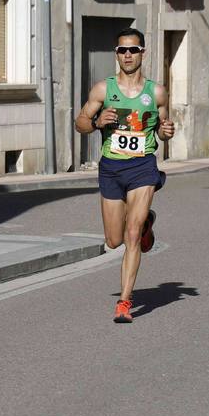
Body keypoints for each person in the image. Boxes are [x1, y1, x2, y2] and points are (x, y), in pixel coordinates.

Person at [74, 29, 176, 322]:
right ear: (116, 54)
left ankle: (124, 302)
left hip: (142, 166)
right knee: (114, 240)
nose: (128, 55)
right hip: (111, 167)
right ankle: (146, 225)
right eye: (122, 50)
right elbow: (80, 122)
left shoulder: (156, 92)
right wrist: (95, 122)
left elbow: (162, 128)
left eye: (133, 50)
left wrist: (165, 132)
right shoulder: (103, 90)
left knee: (131, 236)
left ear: (143, 53)